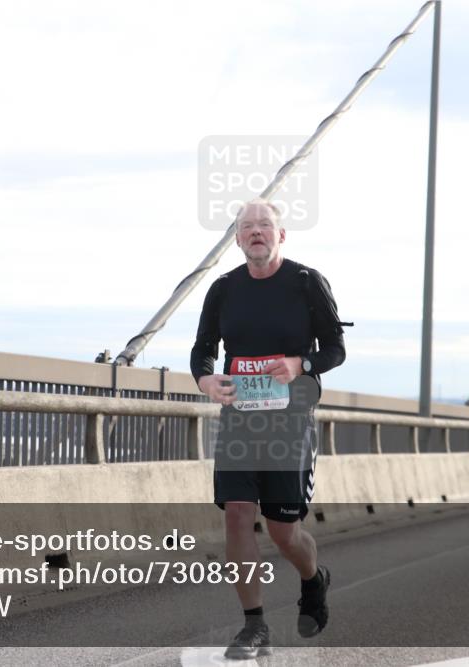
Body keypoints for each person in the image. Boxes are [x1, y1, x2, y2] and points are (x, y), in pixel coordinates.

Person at [190, 198, 347, 660]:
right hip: (240, 421)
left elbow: (335, 348)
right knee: (237, 514)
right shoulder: (223, 289)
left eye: (264, 225)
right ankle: (254, 625)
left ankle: (313, 579)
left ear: (281, 235)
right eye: (247, 226)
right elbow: (203, 349)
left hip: (290, 422)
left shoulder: (306, 282)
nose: (256, 231)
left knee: (284, 532)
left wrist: (301, 364)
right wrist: (205, 380)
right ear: (238, 239)